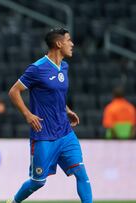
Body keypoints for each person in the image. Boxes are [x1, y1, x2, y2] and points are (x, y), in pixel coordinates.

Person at [7, 28, 92, 203]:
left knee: (81, 174)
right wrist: (27, 114)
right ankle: (13, 202)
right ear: (59, 43)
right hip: (44, 135)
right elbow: (14, 92)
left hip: (65, 133)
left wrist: (67, 110)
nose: (72, 44)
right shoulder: (37, 68)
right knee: (38, 182)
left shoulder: (65, 67)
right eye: (68, 40)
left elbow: (56, 95)